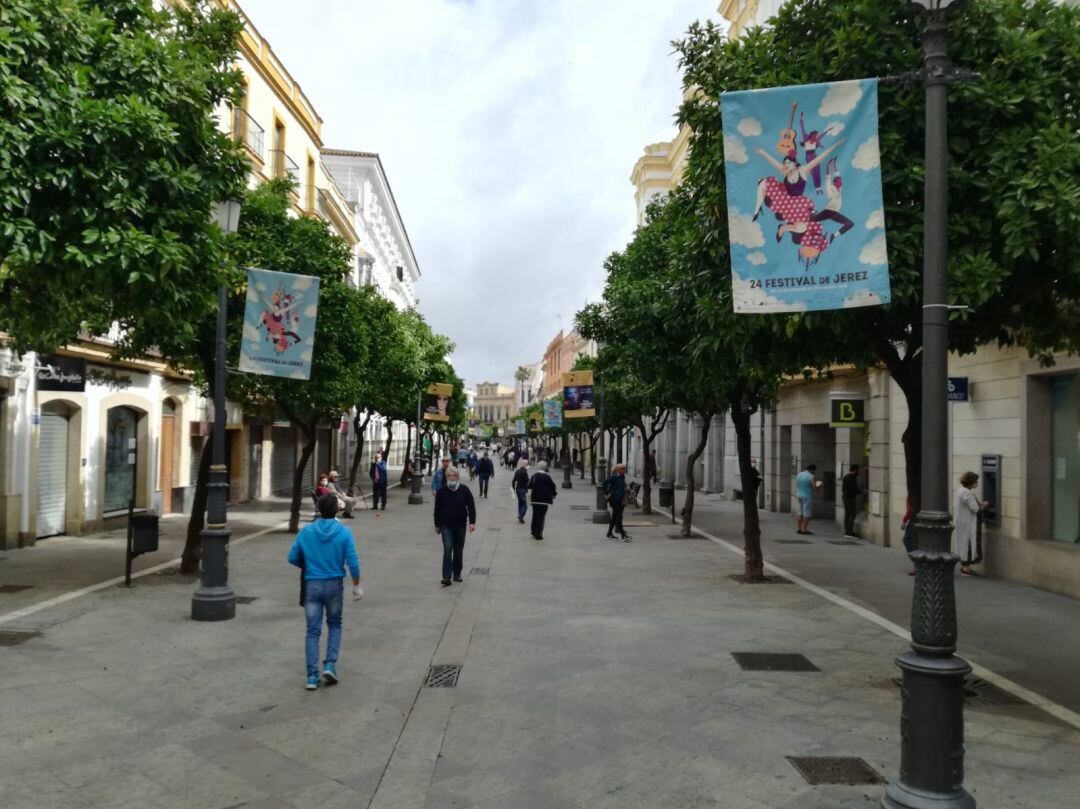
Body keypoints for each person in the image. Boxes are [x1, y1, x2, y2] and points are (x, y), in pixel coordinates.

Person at [287, 493, 362, 691]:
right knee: (335, 624)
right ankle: (329, 664)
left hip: (312, 585)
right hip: (335, 585)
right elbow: (353, 561)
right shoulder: (345, 532)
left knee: (312, 631)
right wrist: (356, 585)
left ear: (319, 510)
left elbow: (292, 557)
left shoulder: (306, 532)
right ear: (337, 510)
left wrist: (309, 564)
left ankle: (312, 677)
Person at [433, 468, 476, 586]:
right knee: (447, 549)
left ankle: (457, 573)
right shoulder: (441, 491)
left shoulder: (464, 490)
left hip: (460, 525)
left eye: (454, 475)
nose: (452, 477)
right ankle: (446, 577)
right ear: (447, 477)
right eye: (449, 475)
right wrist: (437, 524)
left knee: (458, 550)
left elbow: (471, 506)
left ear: (458, 477)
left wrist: (472, 522)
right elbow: (437, 509)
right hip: (445, 525)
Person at [955, 471, 983, 576]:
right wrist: (984, 505)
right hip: (968, 522)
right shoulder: (968, 493)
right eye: (976, 481)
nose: (977, 483)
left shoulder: (960, 490)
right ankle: (966, 568)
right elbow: (975, 509)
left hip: (962, 522)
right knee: (970, 544)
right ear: (971, 481)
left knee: (964, 544)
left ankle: (963, 566)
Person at [527, 460, 557, 540]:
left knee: (535, 515)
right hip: (544, 500)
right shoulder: (547, 477)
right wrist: (554, 494)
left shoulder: (534, 475)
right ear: (545, 468)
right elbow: (553, 486)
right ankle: (538, 534)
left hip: (535, 499)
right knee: (541, 516)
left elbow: (529, 486)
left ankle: (533, 531)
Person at [603, 462, 631, 541]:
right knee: (618, 516)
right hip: (613, 499)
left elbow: (621, 488)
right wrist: (606, 493)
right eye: (622, 468)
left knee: (615, 517)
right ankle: (623, 535)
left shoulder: (622, 477)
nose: (624, 469)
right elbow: (604, 483)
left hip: (619, 500)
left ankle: (609, 533)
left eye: (624, 468)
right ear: (618, 470)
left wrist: (623, 499)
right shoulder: (614, 477)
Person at [795, 463, 821, 535]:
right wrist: (819, 485)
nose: (814, 472)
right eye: (814, 471)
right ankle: (804, 529)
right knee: (807, 513)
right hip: (807, 496)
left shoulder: (799, 474)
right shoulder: (811, 476)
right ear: (812, 469)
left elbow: (797, 484)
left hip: (799, 495)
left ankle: (799, 528)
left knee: (800, 512)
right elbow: (815, 488)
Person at [841, 464, 862, 538]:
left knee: (847, 514)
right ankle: (849, 532)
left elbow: (844, 488)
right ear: (855, 470)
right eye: (858, 470)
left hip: (845, 497)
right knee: (852, 514)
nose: (859, 472)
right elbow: (854, 488)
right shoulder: (852, 477)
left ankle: (847, 531)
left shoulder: (846, 477)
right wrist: (861, 492)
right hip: (849, 498)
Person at [512, 459, 530, 523]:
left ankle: (520, 516)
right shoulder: (524, 472)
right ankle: (521, 515)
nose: (528, 466)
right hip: (523, 489)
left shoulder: (517, 471)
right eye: (527, 464)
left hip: (518, 489)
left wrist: (513, 488)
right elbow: (528, 481)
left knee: (520, 503)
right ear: (525, 465)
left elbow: (514, 480)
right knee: (525, 504)